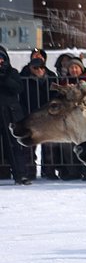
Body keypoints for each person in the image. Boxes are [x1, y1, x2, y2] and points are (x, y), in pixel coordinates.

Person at [0, 46, 35, 184]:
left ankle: (20, 175)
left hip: (10, 112)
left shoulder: (12, 72)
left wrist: (4, 77)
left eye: (1, 58)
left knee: (14, 145)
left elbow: (18, 88)